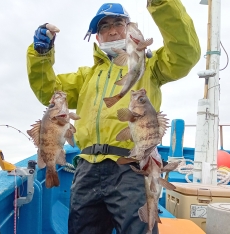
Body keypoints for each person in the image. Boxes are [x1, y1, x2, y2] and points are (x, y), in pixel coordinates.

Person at [27, 1, 201, 233]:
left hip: (131, 166)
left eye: (118, 23)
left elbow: (185, 53)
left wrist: (162, 4)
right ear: (97, 38)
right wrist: (41, 54)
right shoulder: (85, 77)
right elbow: (49, 92)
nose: (112, 31)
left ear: (128, 28)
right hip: (87, 167)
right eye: (104, 27)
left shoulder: (149, 64)